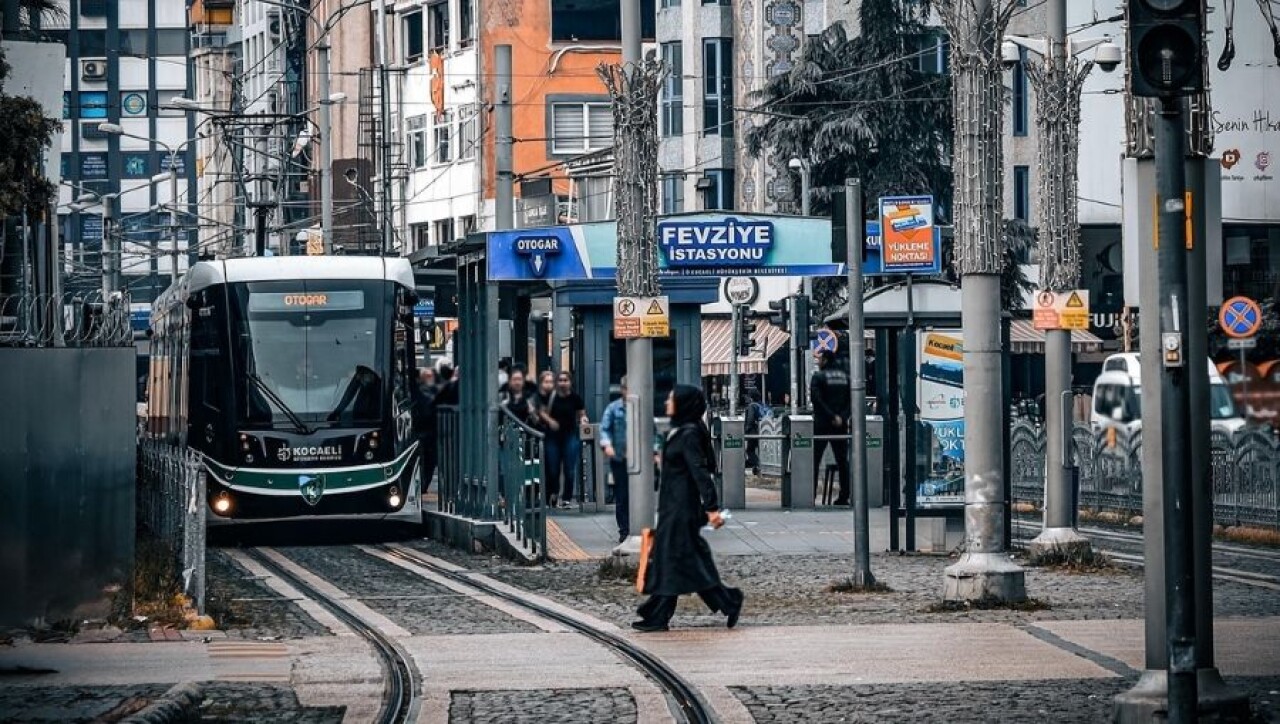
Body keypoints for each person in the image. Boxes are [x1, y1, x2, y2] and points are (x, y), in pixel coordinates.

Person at [633, 384, 744, 632]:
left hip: (681, 509)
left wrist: (712, 508)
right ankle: (727, 601)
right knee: (683, 561)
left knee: (673, 559)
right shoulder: (683, 430)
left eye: (672, 399)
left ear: (683, 403)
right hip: (673, 506)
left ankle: (659, 615)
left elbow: (700, 472)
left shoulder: (689, 433)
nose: (667, 402)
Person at [538, 371, 587, 508]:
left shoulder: (575, 398)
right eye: (560, 380)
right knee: (552, 469)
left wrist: (583, 419)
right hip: (552, 437)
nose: (563, 383)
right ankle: (552, 494)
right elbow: (541, 412)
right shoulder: (551, 397)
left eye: (565, 380)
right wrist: (550, 421)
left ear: (570, 382)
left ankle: (566, 498)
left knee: (569, 468)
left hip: (570, 435)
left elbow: (581, 413)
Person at [811, 350, 852, 506]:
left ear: (826, 360)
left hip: (822, 424)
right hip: (841, 425)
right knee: (842, 461)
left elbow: (817, 399)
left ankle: (811, 494)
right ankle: (844, 495)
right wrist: (842, 417)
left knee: (815, 460)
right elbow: (851, 400)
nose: (818, 362)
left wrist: (830, 416)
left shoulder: (818, 377)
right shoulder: (845, 377)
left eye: (820, 359)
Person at [598, 376, 630, 543]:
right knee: (622, 495)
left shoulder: (642, 407)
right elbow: (605, 429)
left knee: (637, 495)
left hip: (638, 457)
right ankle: (624, 530)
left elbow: (651, 431)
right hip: (619, 458)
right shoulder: (613, 408)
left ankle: (639, 527)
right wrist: (607, 445)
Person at [412, 367, 439, 492]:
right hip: (426, 433)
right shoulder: (425, 393)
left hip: (424, 433)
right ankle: (423, 486)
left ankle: (422, 486)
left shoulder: (418, 393)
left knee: (426, 462)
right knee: (427, 462)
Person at [743, 390, 767, 475]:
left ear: (751, 397)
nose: (747, 398)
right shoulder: (761, 405)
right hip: (761, 430)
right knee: (753, 449)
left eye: (748, 396)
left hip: (752, 432)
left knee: (750, 450)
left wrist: (746, 429)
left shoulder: (751, 406)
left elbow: (750, 419)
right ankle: (753, 466)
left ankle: (757, 465)